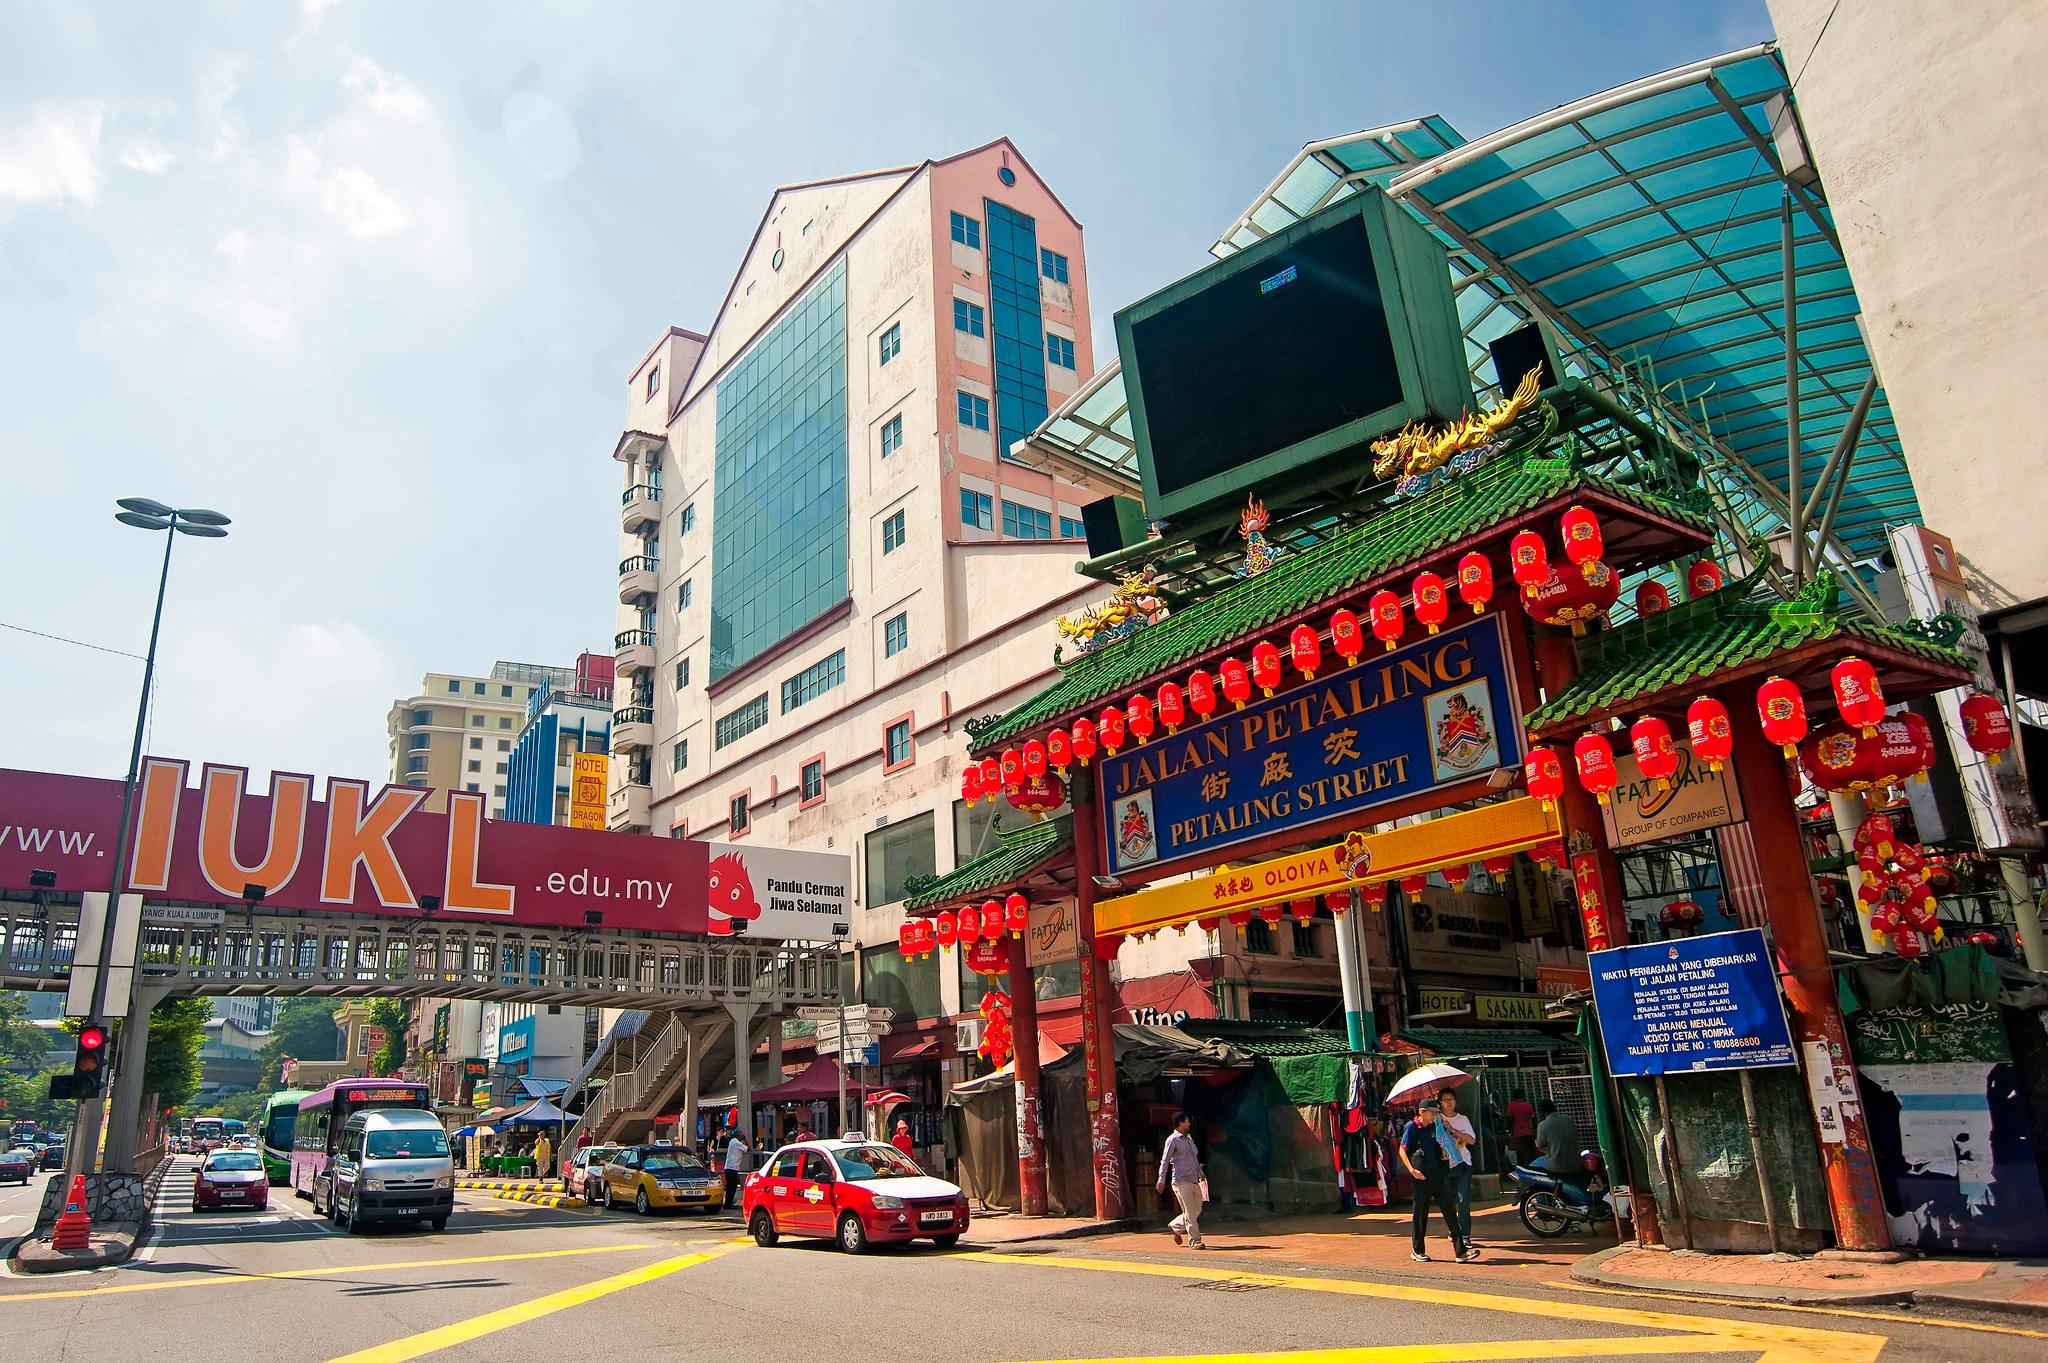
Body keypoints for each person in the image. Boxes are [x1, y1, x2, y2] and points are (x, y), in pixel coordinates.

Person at [1400, 1100, 1474, 1263]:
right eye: (1431, 1112)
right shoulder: (1412, 1127)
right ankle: (1417, 1250)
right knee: (1420, 1213)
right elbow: (1402, 1149)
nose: (1434, 1115)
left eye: (1435, 1112)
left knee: (1449, 1211)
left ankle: (1461, 1252)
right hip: (1421, 1176)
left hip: (1438, 1174)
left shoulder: (1433, 1127)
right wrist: (1411, 1170)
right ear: (1422, 1112)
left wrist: (1443, 1152)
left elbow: (1435, 1145)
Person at [1156, 1112, 1206, 1249]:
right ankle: (1195, 1240)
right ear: (1180, 1123)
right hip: (1180, 1181)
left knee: (1197, 1209)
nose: (1189, 1123)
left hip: (1194, 1179)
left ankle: (1175, 1226)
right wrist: (1161, 1179)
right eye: (1187, 1121)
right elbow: (1165, 1161)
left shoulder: (1189, 1138)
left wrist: (1201, 1174)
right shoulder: (1172, 1140)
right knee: (1190, 1211)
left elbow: (1194, 1159)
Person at [1436, 1090, 1477, 1249]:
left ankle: (1465, 1235)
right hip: (1445, 1166)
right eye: (1445, 1100)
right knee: (1448, 1201)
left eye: (1451, 1099)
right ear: (1440, 1103)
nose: (1449, 1102)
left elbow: (1472, 1140)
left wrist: (1453, 1129)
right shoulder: (1437, 1119)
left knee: (1463, 1200)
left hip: (1463, 1164)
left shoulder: (1463, 1119)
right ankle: (1453, 1229)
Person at [1534, 1099, 1579, 1175]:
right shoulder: (1568, 1119)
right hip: (1577, 1163)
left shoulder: (1543, 1125)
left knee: (1536, 1164)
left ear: (1541, 1111)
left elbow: (1539, 1145)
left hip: (1558, 1167)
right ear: (1555, 1107)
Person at [1505, 1093, 1537, 1167]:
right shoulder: (1528, 1105)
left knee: (1519, 1154)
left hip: (1517, 1133)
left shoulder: (1511, 1106)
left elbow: (1510, 1119)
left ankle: (1521, 1169)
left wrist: (1510, 1131)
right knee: (1530, 1153)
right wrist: (1534, 1130)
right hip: (1528, 1132)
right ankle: (1532, 1168)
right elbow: (1533, 1119)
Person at [722, 1125, 750, 1206]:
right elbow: (748, 1148)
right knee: (732, 1187)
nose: (742, 1134)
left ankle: (728, 1203)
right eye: (741, 1133)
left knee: (730, 1187)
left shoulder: (733, 1141)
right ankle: (728, 1204)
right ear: (738, 1134)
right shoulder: (736, 1142)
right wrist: (745, 1139)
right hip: (732, 1168)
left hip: (730, 1167)